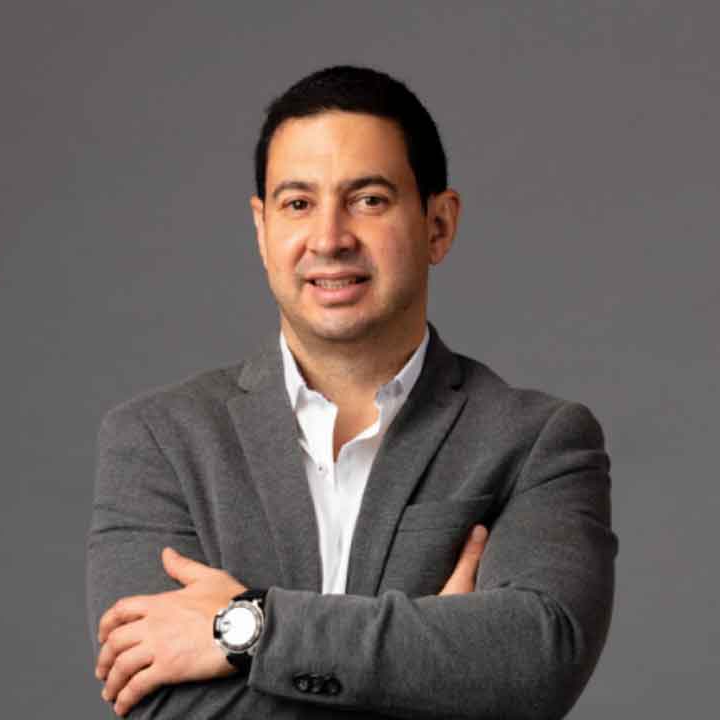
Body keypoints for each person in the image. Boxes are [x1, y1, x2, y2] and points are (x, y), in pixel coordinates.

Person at [85, 65, 617, 719]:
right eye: (298, 204)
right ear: (261, 229)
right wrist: (436, 672)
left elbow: (533, 664)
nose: (330, 239)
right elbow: (164, 706)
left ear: (438, 224)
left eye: (368, 200)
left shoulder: (537, 442)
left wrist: (248, 628)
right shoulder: (158, 440)